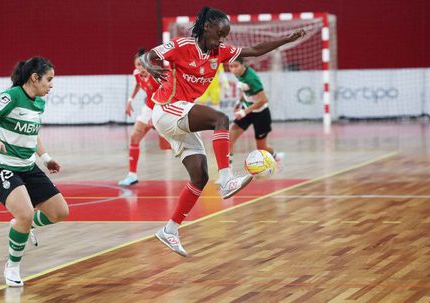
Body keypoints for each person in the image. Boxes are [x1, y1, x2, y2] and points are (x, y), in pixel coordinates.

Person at [140, 6, 305, 256]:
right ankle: (227, 179)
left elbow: (254, 50)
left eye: (226, 34)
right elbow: (148, 56)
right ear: (207, 27)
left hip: (182, 115)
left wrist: (286, 39)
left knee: (200, 177)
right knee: (220, 118)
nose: (223, 38)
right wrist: (149, 66)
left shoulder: (221, 51)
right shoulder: (182, 44)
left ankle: (170, 230)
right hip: (167, 109)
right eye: (220, 33)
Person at [0, 57, 69, 287]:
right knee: (25, 213)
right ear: (34, 77)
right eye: (49, 79)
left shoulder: (39, 102)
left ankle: (22, 226)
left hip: (29, 168)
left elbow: (33, 132)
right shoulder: (12, 96)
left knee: (60, 213)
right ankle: (12, 267)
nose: (51, 85)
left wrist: (46, 158)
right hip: (3, 169)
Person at [228, 56, 284, 167]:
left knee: (262, 147)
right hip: (248, 110)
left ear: (243, 65)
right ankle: (227, 170)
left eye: (236, 66)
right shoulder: (239, 74)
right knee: (229, 138)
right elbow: (245, 91)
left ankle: (276, 157)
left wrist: (244, 112)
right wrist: (239, 103)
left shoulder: (251, 78)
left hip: (261, 114)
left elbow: (263, 100)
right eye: (230, 66)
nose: (233, 69)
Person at [118, 48, 161, 187]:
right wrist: (130, 100)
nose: (141, 68)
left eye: (143, 64)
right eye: (138, 65)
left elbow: (169, 94)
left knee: (170, 146)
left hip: (163, 108)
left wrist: (155, 117)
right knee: (134, 137)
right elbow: (138, 84)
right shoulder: (136, 74)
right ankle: (132, 175)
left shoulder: (157, 76)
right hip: (148, 107)